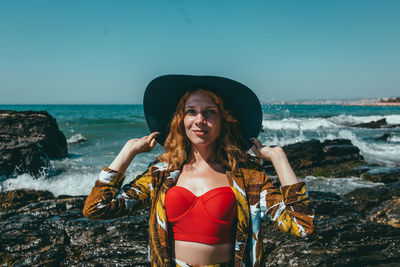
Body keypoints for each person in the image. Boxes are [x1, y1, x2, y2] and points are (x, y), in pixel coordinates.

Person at [83, 75, 315, 267]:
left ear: (223, 120)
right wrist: (128, 151)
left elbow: (301, 224)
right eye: (191, 111)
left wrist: (278, 158)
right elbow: (97, 208)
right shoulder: (161, 175)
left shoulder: (248, 178)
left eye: (210, 112)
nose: (200, 120)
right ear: (180, 120)